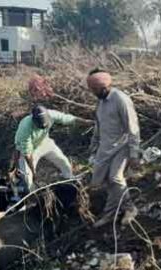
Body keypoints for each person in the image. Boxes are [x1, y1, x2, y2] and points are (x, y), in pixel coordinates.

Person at [87, 69, 141, 213]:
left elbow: (132, 127)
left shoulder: (120, 99)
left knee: (115, 177)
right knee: (99, 181)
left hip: (122, 146)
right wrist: (93, 146)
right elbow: (98, 127)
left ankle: (130, 209)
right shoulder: (100, 102)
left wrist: (134, 154)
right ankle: (111, 211)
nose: (93, 93)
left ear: (103, 87)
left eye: (95, 89)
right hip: (105, 148)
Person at [15, 76, 81, 189]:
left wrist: (89, 122)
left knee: (63, 161)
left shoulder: (51, 114)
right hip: (29, 150)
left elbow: (69, 119)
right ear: (34, 121)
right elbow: (27, 154)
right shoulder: (25, 128)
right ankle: (32, 196)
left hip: (45, 142)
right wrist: (34, 173)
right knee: (27, 178)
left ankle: (69, 180)